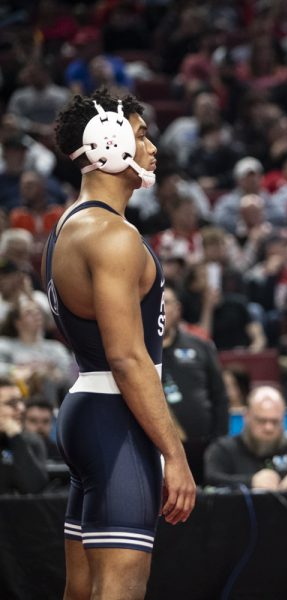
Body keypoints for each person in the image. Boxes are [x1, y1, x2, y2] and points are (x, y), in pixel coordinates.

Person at [45, 90, 195, 599]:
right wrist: (173, 454)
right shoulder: (111, 236)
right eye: (142, 133)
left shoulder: (68, 225)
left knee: (80, 591)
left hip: (88, 411)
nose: (152, 147)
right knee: (120, 590)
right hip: (116, 420)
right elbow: (129, 359)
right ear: (108, 142)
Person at [161, 285, 229, 482]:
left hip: (202, 447)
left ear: (178, 309)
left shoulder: (200, 346)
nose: (161, 308)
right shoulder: (137, 350)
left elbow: (220, 396)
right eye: (154, 304)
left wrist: (219, 441)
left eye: (166, 303)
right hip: (157, 451)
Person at [204, 386, 287, 490]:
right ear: (246, 417)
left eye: (275, 421)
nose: (269, 428)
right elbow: (211, 479)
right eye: (261, 421)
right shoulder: (223, 450)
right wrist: (250, 481)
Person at [0, 377, 48, 494]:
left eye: (21, 401)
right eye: (12, 403)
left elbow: (35, 487)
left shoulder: (31, 441)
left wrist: (15, 437)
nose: (21, 408)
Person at [22, 395, 62, 461]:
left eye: (45, 421)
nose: (40, 426)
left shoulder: (61, 455)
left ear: (52, 424)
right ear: (23, 423)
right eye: (33, 420)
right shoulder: (13, 450)